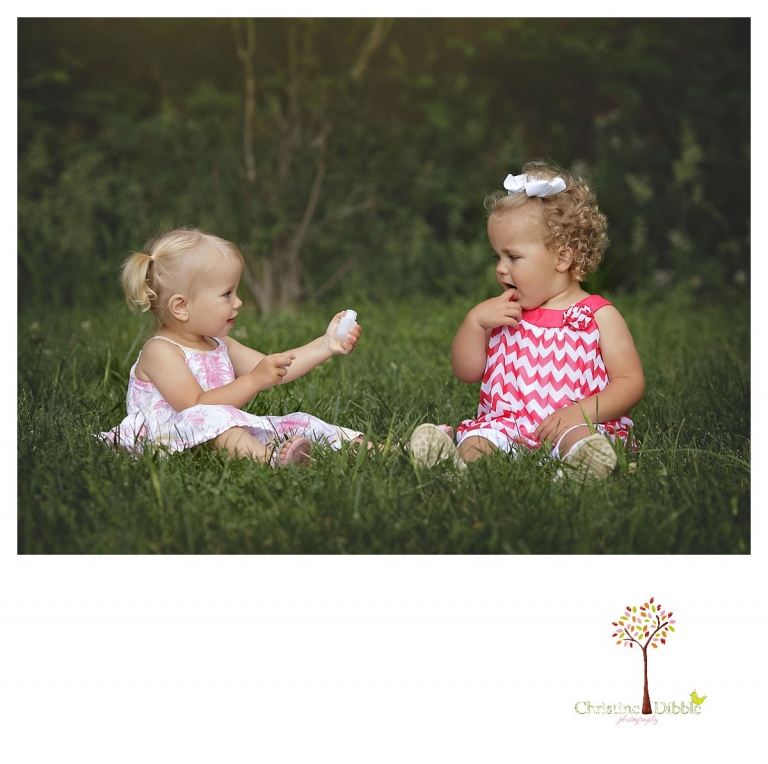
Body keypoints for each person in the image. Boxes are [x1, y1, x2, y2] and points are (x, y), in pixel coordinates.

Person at [409, 159, 645, 479]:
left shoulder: (598, 315)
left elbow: (630, 383)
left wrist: (580, 413)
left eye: (513, 257)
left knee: (581, 440)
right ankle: (455, 467)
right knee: (479, 440)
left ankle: (584, 467)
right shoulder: (503, 313)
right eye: (498, 256)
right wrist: (475, 322)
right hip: (507, 426)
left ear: (562, 257)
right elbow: (466, 372)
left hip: (575, 423)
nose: (501, 269)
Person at [97, 228, 364, 467]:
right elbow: (196, 407)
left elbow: (277, 367)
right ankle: (270, 460)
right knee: (218, 422)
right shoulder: (160, 352)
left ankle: (372, 450)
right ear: (182, 307)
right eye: (227, 294)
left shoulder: (220, 345)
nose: (238, 303)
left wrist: (325, 344)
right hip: (169, 436)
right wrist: (253, 381)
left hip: (225, 428)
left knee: (299, 421)